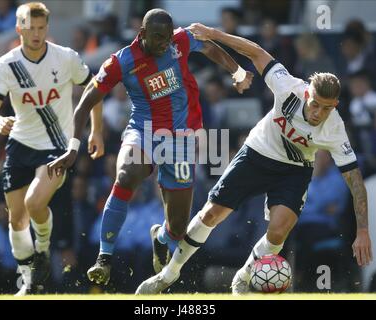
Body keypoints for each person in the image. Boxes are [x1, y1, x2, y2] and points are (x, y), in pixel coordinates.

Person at [136, 23, 373, 295]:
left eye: (327, 108)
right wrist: (214, 35)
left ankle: (244, 276)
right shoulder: (288, 87)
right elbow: (255, 51)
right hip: (257, 152)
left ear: (336, 106)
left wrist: (363, 230)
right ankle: (169, 274)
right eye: (316, 104)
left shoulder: (335, 129)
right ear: (307, 93)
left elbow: (355, 181)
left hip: (294, 170)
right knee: (212, 214)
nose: (319, 112)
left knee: (279, 231)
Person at [47, 9, 252, 287]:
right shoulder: (121, 61)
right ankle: (104, 257)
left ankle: (162, 238)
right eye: (157, 38)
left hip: (181, 138)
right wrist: (74, 147)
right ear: (142, 34)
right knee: (127, 174)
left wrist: (237, 71)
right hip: (143, 131)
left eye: (167, 38)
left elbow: (208, 47)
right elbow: (85, 101)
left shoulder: (180, 40)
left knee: (178, 228)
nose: (164, 44)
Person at [0, 2, 103, 295]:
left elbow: (95, 89)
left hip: (57, 147)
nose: (35, 33)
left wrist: (96, 130)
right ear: (18, 27)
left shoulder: (65, 58)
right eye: (29, 27)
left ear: (47, 28)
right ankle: (27, 281)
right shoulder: (8, 64)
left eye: (40, 27)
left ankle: (43, 251)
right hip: (20, 145)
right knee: (16, 219)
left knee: (35, 203)